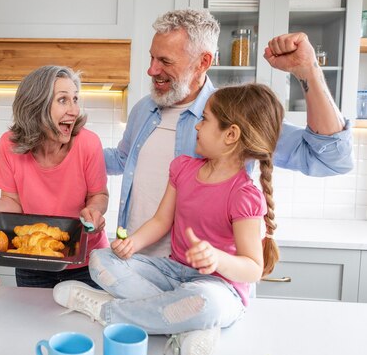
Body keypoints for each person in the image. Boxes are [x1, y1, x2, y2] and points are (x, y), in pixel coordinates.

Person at [53, 83, 285, 355]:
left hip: (220, 287)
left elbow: (253, 269)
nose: (197, 127)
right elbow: (162, 220)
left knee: (207, 303)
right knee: (101, 260)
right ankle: (188, 325)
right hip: (174, 274)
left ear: (230, 134)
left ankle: (108, 310)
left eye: (205, 119)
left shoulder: (244, 195)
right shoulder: (183, 168)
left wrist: (217, 258)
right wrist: (133, 244)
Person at [106, 9, 353, 257]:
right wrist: (71, 145)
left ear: (203, 62)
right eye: (152, 58)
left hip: (202, 274)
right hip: (137, 263)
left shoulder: (237, 115)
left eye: (165, 61)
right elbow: (123, 159)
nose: (151, 70)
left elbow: (330, 160)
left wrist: (308, 70)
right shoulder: (144, 109)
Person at [0, 65, 109, 288]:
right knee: (32, 322)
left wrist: (95, 210)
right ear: (36, 106)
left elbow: (99, 194)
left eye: (75, 99)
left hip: (86, 261)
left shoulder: (88, 143)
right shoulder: (9, 145)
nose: (74, 110)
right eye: (63, 100)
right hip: (31, 259)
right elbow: (13, 203)